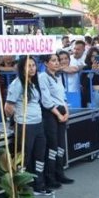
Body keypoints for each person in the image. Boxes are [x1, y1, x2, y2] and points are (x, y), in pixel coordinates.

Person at [4, 57, 50, 195]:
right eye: (28, 66)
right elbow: (8, 107)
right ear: (22, 68)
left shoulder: (34, 83)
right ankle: (21, 188)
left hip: (38, 123)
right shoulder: (17, 84)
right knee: (23, 158)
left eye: (33, 65)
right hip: (25, 125)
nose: (32, 68)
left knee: (39, 155)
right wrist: (14, 119)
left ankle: (39, 185)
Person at [39, 54, 74, 189]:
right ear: (46, 63)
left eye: (57, 60)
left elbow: (62, 96)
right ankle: (50, 177)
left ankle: (60, 173)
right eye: (53, 61)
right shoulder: (43, 77)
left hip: (61, 110)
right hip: (50, 113)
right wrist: (58, 114)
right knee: (52, 146)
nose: (57, 63)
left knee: (60, 146)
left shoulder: (58, 76)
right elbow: (46, 99)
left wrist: (66, 111)